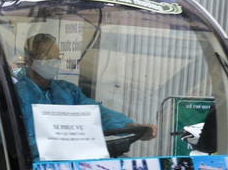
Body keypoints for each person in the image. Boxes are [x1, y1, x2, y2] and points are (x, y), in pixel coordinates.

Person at [14, 33, 156, 159]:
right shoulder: (16, 94)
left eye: (57, 58)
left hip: (77, 158)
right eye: (47, 58)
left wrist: (130, 126)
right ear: (29, 60)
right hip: (37, 165)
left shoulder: (67, 91)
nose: (54, 63)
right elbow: (14, 139)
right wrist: (58, 147)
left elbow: (97, 114)